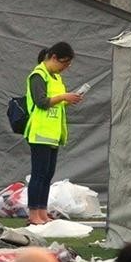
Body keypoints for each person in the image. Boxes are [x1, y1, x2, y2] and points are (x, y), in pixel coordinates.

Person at [24, 41, 83, 225]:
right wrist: (64, 96)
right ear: (54, 57)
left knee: (47, 174)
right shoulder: (38, 75)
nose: (64, 68)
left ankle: (42, 211)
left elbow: (55, 102)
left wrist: (68, 100)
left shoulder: (56, 78)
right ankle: (33, 213)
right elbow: (41, 101)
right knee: (38, 174)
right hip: (40, 133)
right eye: (64, 63)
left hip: (53, 133)